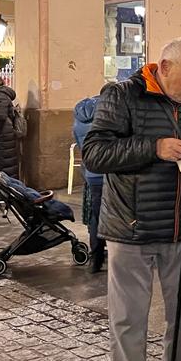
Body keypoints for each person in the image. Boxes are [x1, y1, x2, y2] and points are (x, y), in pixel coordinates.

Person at [82, 37, 181, 361]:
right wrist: (153, 147)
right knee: (129, 320)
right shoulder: (121, 95)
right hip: (131, 228)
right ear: (165, 66)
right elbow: (95, 154)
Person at [73, 88, 110, 274]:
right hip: (111, 174)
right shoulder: (110, 113)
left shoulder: (81, 114)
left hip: (92, 172)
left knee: (96, 215)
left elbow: (81, 144)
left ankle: (96, 256)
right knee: (116, 213)